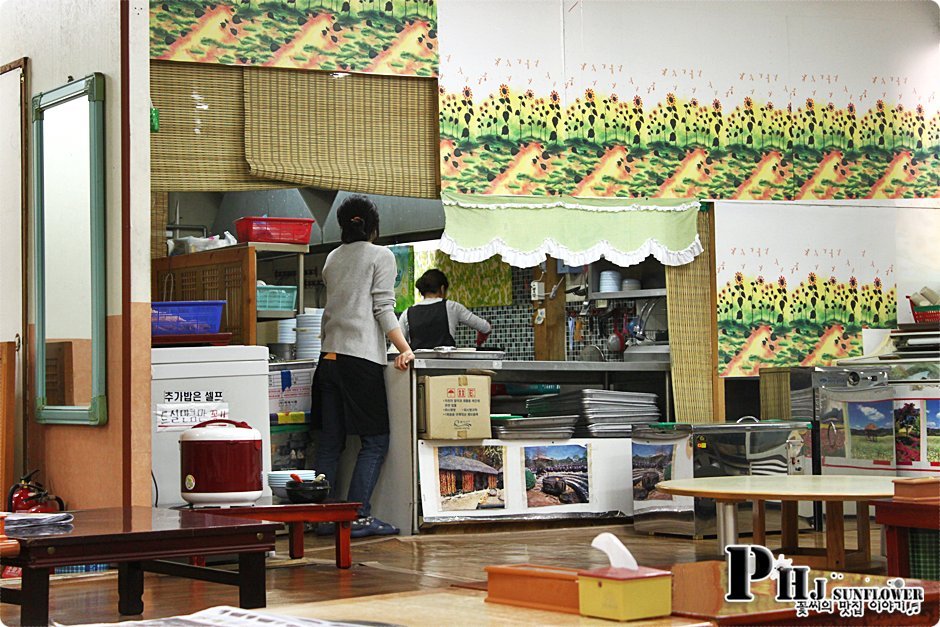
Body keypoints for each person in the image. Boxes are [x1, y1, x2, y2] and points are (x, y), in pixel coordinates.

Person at [312, 195, 414, 539]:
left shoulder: (332, 258)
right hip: (359, 361)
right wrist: (405, 348)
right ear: (374, 228)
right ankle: (357, 517)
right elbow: (383, 308)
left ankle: (321, 518)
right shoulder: (380, 255)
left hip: (327, 360)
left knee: (329, 444)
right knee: (375, 441)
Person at [399, 269, 492, 350]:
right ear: (442, 289)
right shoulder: (451, 306)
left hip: (417, 367)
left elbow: (396, 345)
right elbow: (485, 327)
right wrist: (483, 333)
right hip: (446, 366)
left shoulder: (407, 313)